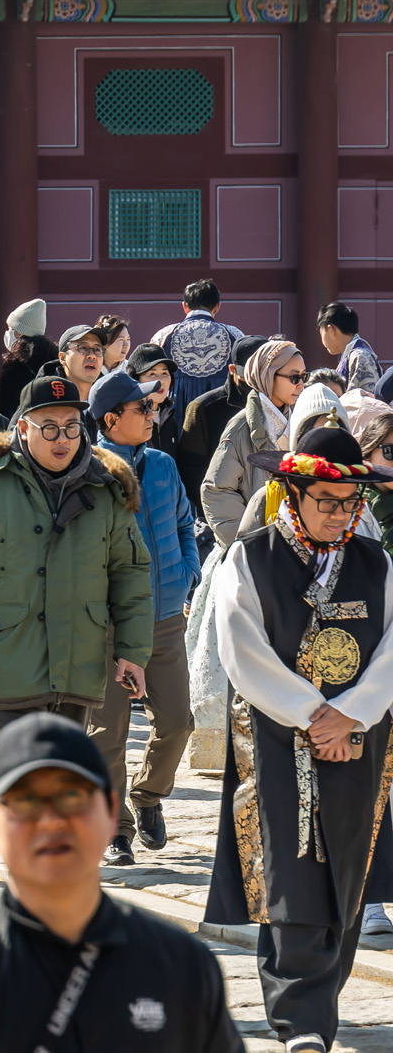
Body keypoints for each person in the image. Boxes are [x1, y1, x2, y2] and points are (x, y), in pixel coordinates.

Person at [0, 713, 243, 1053]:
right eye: (24, 801)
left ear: (111, 812)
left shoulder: (180, 965)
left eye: (72, 796)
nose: (51, 821)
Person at [201, 426, 393, 1051]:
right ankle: (302, 1024)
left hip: (358, 742)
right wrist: (313, 715)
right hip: (278, 739)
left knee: (344, 871)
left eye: (349, 503)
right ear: (290, 495)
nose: (340, 514)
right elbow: (242, 647)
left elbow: (392, 648)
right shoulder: (249, 559)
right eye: (325, 500)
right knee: (289, 871)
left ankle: (313, 1001)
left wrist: (354, 714)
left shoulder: (377, 563)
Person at [0, 373, 152, 736]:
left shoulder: (106, 489)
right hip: (8, 662)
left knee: (65, 781)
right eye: (50, 428)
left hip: (78, 663)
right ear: (23, 428)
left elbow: (129, 573)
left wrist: (132, 651)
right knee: (19, 777)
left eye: (72, 427)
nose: (64, 439)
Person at [83, 370, 201, 866]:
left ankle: (148, 794)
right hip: (106, 623)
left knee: (177, 722)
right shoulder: (87, 472)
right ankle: (116, 830)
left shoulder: (162, 464)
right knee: (105, 732)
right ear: (112, 419)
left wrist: (187, 572)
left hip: (164, 615)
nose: (153, 415)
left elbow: (182, 521)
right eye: (143, 409)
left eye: (152, 407)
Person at [204, 338, 307, 548]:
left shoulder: (302, 419)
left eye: (304, 376)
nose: (301, 384)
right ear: (268, 376)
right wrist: (248, 543)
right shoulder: (241, 426)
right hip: (260, 549)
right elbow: (216, 491)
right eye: (294, 377)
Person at [180, 332, 269, 512]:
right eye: (248, 372)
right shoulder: (203, 408)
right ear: (232, 370)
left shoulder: (282, 403)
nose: (255, 379)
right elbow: (190, 470)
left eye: (263, 371)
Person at [153, 277, 244, 422]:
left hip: (176, 409)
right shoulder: (235, 335)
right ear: (217, 307)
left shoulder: (164, 335)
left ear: (185, 306)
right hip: (222, 408)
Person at [0, 298, 53, 421]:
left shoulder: (15, 365)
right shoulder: (54, 357)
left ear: (19, 333)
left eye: (10, 328)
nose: (7, 333)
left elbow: (4, 406)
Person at [317, 300, 380, 394]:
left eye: (321, 332)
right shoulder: (353, 354)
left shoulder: (361, 356)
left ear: (331, 330)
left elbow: (367, 402)